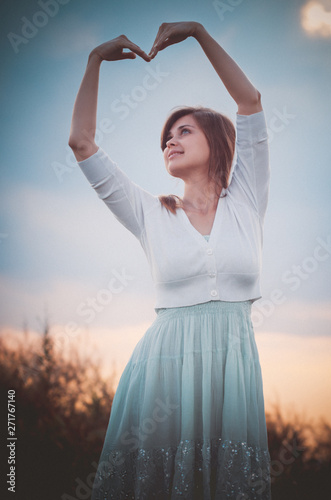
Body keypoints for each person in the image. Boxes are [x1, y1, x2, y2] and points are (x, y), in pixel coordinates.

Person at [69, 21, 271, 500]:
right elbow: (81, 143)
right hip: (163, 371)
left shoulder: (247, 197)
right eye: (166, 137)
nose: (170, 141)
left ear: (218, 141)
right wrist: (94, 60)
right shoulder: (148, 213)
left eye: (184, 131)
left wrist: (200, 34)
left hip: (232, 368)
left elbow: (251, 102)